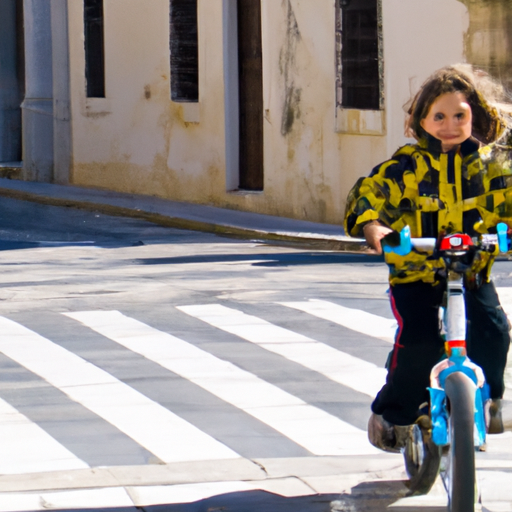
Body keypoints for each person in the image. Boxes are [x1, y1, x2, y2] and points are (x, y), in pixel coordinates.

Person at [344, 65, 512, 452]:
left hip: (471, 271)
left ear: (475, 117)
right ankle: (393, 411)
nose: (449, 125)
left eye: (459, 116)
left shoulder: (494, 167)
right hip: (416, 274)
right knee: (418, 342)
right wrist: (374, 228)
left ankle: (489, 399)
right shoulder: (407, 166)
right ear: (422, 121)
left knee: (494, 332)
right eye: (439, 116)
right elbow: (365, 198)